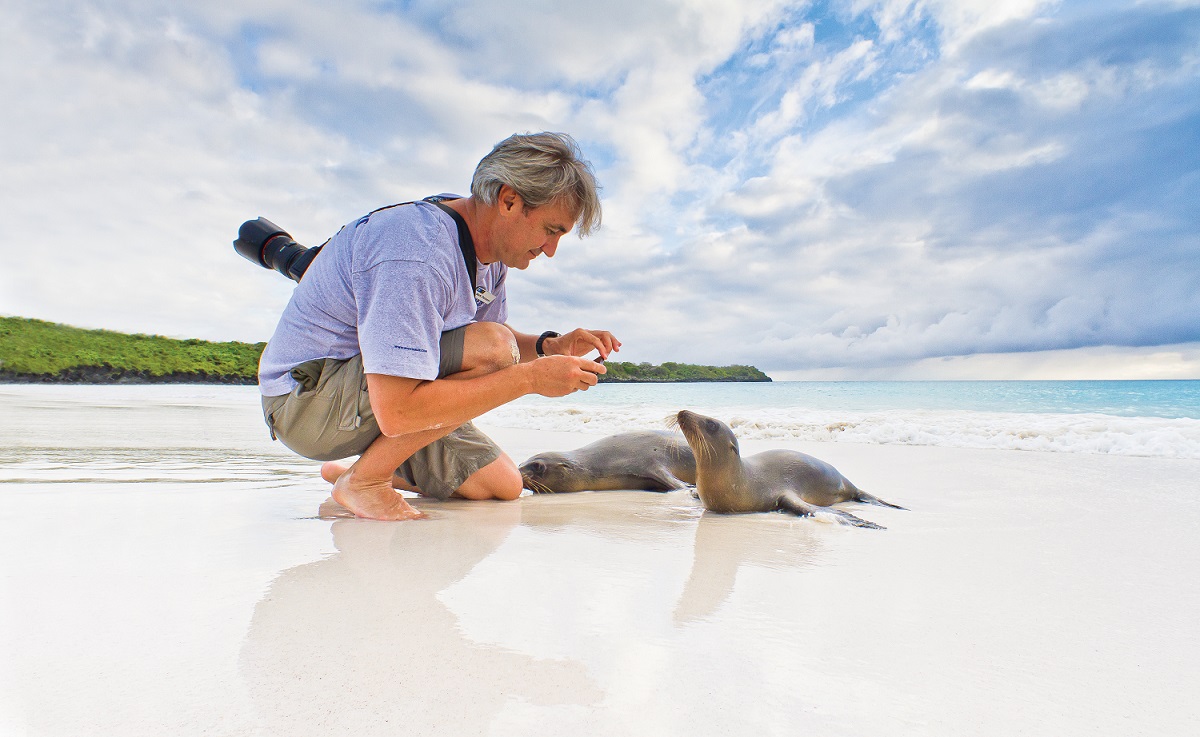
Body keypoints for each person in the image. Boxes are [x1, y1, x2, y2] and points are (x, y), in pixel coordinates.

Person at [257, 132, 618, 521]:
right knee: (495, 349)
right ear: (509, 200)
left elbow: (488, 337)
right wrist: (530, 379)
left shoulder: (488, 251)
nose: (551, 250)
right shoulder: (419, 251)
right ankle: (366, 481)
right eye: (552, 230)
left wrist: (552, 346)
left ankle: (356, 473)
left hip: (368, 395)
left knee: (502, 486)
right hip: (306, 404)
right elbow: (400, 411)